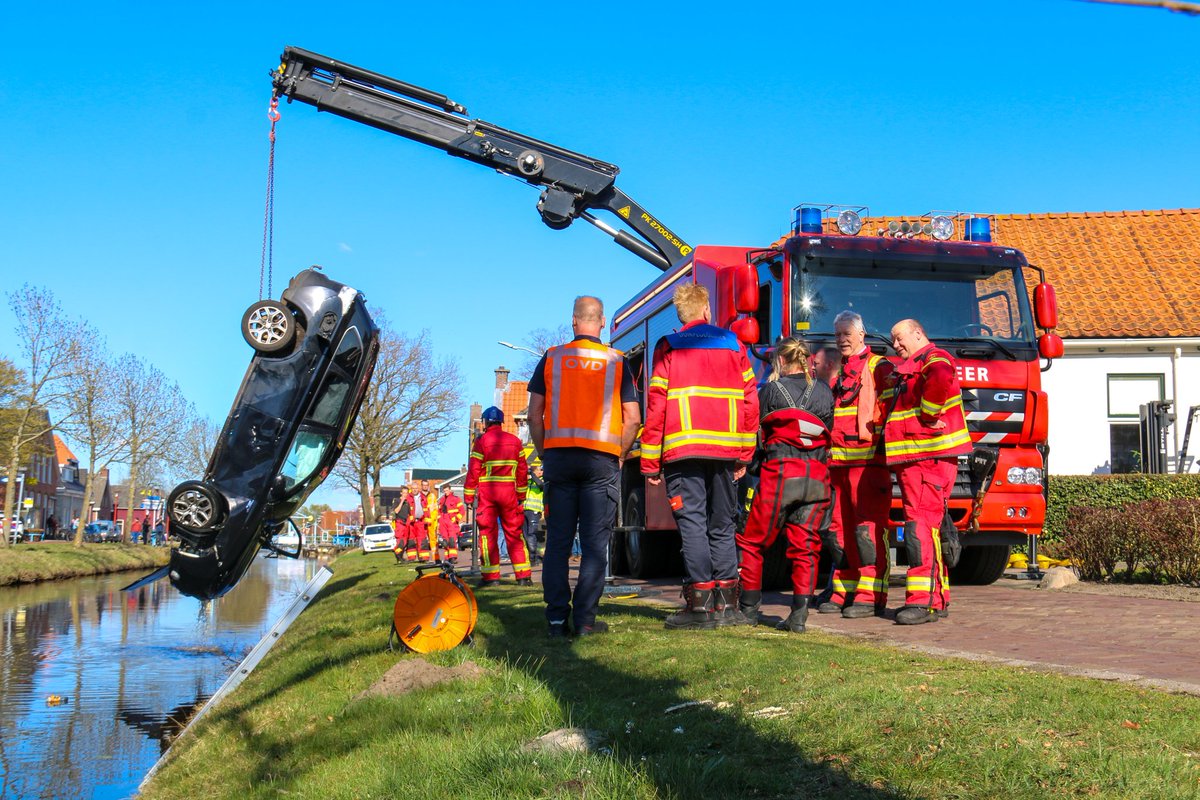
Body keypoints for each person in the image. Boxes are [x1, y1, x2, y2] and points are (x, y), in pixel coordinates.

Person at [641, 284, 759, 630]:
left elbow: (657, 405)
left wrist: (649, 462)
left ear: (681, 315)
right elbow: (750, 401)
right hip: (725, 453)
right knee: (722, 525)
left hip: (683, 452)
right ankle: (728, 606)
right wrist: (744, 454)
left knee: (692, 524)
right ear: (707, 311)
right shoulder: (734, 344)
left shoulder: (669, 347)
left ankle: (699, 606)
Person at [528, 295, 640, 639]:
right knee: (594, 546)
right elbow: (633, 418)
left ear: (573, 322)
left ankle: (557, 620)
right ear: (602, 322)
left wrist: (545, 453)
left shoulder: (552, 358)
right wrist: (620, 454)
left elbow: (534, 414)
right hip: (601, 461)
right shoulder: (617, 361)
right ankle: (586, 621)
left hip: (560, 459)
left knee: (559, 544)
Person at [883, 319, 972, 625]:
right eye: (893, 341)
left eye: (900, 338)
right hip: (918, 460)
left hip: (927, 459)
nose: (896, 345)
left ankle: (922, 602)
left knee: (919, 530)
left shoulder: (933, 359)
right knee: (929, 530)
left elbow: (941, 376)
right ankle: (937, 598)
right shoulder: (917, 363)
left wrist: (929, 413)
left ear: (919, 333)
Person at [822, 311, 896, 618]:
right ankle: (845, 587)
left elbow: (891, 412)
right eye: (837, 334)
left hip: (868, 464)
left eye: (846, 334)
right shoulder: (838, 371)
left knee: (867, 528)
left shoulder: (879, 366)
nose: (841, 340)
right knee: (839, 529)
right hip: (838, 463)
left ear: (862, 335)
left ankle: (871, 591)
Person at [464, 407, 532, 586]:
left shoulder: (481, 441)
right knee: (514, 533)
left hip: (488, 493)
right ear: (501, 422)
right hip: (509, 493)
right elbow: (522, 472)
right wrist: (521, 495)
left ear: (486, 422)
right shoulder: (515, 441)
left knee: (488, 534)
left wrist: (469, 496)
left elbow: (474, 471)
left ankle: (491, 577)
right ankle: (523, 576)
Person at [523, 461, 545, 565]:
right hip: (525, 510)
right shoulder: (530, 481)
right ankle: (531, 557)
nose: (541, 472)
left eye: (541, 470)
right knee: (526, 534)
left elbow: (541, 485)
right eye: (539, 470)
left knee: (532, 534)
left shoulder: (543, 480)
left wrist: (531, 473)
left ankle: (533, 558)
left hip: (534, 511)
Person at [436, 485, 464, 563]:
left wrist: (455, 519)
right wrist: (439, 520)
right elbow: (439, 511)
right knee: (445, 542)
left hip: (451, 522)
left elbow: (462, 511)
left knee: (452, 540)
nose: (446, 492)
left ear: (450, 490)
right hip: (443, 522)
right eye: (444, 491)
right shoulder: (441, 500)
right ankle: (447, 557)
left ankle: (453, 557)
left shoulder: (456, 499)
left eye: (447, 490)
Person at [392, 486, 418, 563]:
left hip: (406, 523)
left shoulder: (407, 503)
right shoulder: (396, 500)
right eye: (404, 493)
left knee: (405, 541)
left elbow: (410, 514)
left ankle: (400, 557)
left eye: (406, 493)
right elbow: (396, 511)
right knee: (400, 541)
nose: (405, 495)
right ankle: (398, 554)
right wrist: (401, 502)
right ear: (401, 493)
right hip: (399, 523)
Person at [417, 479, 439, 560]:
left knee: (433, 539)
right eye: (424, 485)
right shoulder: (418, 496)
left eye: (426, 485)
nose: (425, 486)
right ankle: (423, 558)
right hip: (421, 521)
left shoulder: (432, 496)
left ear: (428, 486)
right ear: (421, 486)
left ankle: (436, 558)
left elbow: (435, 509)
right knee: (422, 539)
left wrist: (431, 519)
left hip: (431, 522)